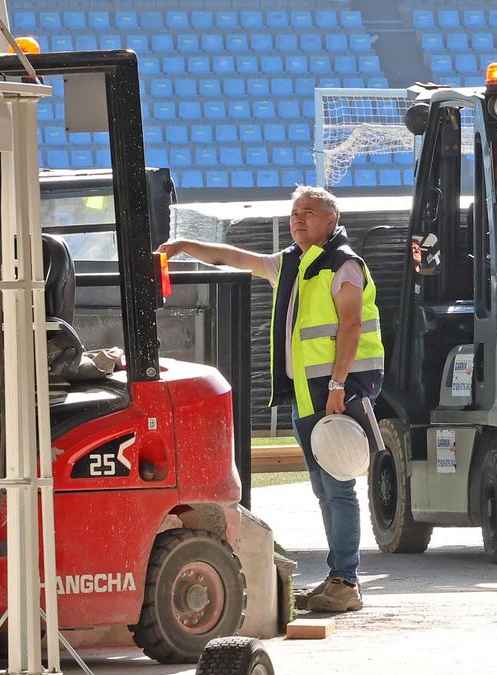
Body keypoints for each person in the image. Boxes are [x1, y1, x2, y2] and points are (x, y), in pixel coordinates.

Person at [160, 184, 384, 615]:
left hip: (334, 394)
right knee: (324, 490)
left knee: (338, 489)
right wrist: (185, 245)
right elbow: (232, 257)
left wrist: (338, 386)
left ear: (332, 220)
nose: (298, 219)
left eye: (310, 212)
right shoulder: (293, 264)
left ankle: (346, 581)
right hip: (308, 395)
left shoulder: (344, 264)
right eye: (295, 213)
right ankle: (339, 578)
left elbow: (352, 327)